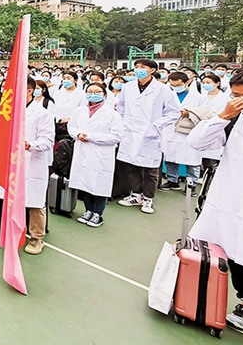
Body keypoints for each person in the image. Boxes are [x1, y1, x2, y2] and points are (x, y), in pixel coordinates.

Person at [187, 70, 243, 332]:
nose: (241, 100)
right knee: (236, 252)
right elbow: (196, 142)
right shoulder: (231, 120)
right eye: (236, 95)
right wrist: (223, 116)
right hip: (233, 199)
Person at [116, 58, 181, 215]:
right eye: (137, 66)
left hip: (150, 132)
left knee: (150, 169)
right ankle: (136, 194)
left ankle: (148, 198)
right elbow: (121, 106)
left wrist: (155, 126)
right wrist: (124, 123)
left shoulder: (162, 89)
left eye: (143, 67)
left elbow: (173, 112)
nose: (139, 69)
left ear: (152, 70)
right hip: (130, 131)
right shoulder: (128, 87)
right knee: (131, 165)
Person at [0, 77, 55, 254]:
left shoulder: (42, 113)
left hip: (32, 162)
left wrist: (30, 145)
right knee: (12, 198)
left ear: (29, 90)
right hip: (12, 162)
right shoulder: (8, 111)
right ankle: (14, 230)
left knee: (35, 202)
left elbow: (48, 141)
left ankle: (37, 238)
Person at [67, 82, 124, 227]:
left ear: (104, 94)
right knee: (84, 182)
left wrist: (92, 137)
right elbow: (71, 126)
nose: (93, 94)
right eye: (90, 91)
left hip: (101, 154)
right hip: (83, 151)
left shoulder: (112, 114)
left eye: (97, 91)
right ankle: (88, 210)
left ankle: (98, 213)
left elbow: (117, 136)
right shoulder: (79, 111)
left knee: (99, 184)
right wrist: (78, 134)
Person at [159, 71, 206, 192]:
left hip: (189, 131)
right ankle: (172, 180)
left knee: (191, 159)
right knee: (170, 157)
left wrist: (189, 113)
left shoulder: (199, 97)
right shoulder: (168, 94)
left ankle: (192, 184)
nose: (175, 88)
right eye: (172, 85)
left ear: (187, 82)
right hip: (170, 129)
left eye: (178, 85)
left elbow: (206, 112)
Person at [199, 72, 230, 171]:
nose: (205, 85)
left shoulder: (225, 98)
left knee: (214, 157)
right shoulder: (200, 97)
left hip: (218, 128)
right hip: (202, 127)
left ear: (217, 83)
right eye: (203, 83)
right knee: (202, 157)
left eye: (208, 82)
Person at [53, 71, 87, 138]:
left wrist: (70, 119)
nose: (66, 80)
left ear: (75, 80)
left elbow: (83, 111)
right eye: (64, 78)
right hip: (58, 125)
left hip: (73, 125)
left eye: (68, 78)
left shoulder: (81, 94)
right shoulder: (58, 93)